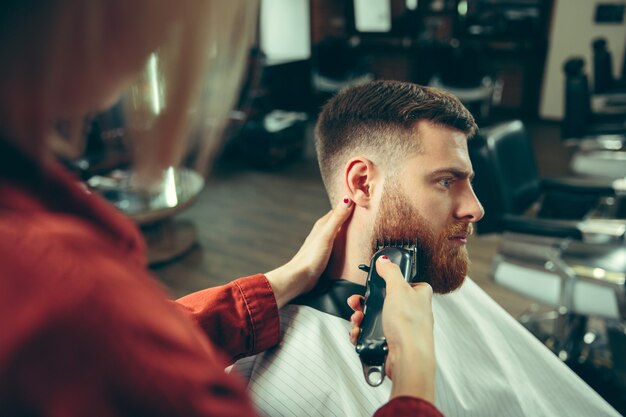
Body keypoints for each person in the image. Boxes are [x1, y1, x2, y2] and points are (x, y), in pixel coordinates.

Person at [0, 2, 442, 417]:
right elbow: (106, 342)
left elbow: (110, 347)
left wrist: (278, 284)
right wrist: (417, 374)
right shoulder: (66, 295)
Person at [232, 80, 621, 416]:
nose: (476, 208)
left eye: (467, 180)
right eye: (445, 181)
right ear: (363, 184)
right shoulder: (281, 382)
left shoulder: (431, 266)